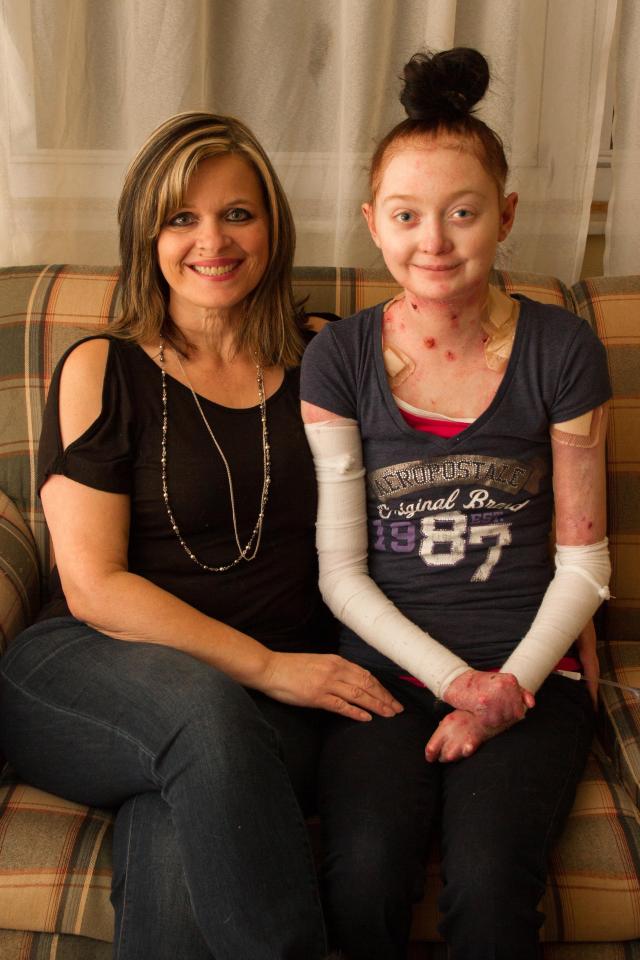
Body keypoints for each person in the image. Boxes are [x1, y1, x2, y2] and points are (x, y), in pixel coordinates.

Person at [0, 111, 403, 960]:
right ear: (146, 235)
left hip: (271, 702)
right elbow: (93, 586)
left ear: (272, 227)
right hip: (88, 669)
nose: (210, 240)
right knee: (204, 713)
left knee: (182, 840)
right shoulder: (102, 367)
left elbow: (428, 487)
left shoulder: (327, 357)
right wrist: (266, 668)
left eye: (237, 213)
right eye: (181, 217)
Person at [300, 48, 611, 960]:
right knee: (361, 870)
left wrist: (503, 691)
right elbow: (341, 573)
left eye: (462, 213)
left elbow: (586, 562)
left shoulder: (562, 350)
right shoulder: (339, 361)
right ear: (373, 225)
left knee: (487, 879)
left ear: (504, 216)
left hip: (534, 676)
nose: (433, 240)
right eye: (406, 216)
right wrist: (451, 687)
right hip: (388, 679)